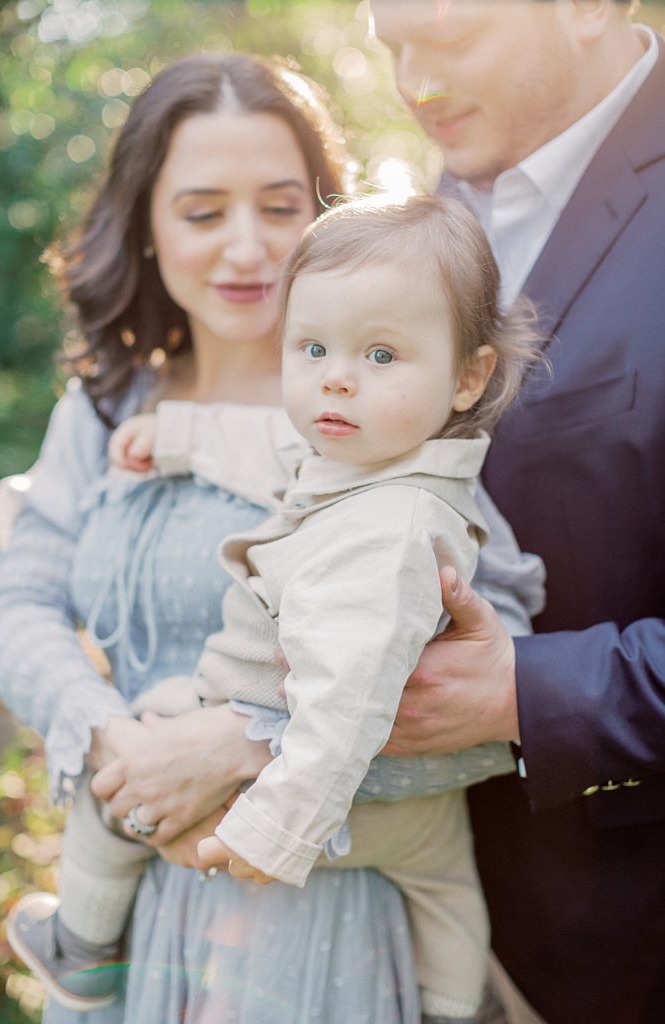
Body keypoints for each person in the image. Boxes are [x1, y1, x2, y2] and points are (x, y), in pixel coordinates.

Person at [0, 50, 545, 1024]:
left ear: (330, 217)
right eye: (202, 212)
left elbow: (499, 679)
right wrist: (122, 753)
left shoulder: (389, 422)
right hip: (134, 899)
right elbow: (16, 604)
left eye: (281, 207)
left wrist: (244, 744)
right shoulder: (109, 404)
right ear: (149, 228)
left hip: (319, 909)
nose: (246, 249)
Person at [368, 2, 665, 1022]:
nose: (413, 84)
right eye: (389, 46)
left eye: (445, 40)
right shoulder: (415, 217)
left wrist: (520, 694)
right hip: (421, 928)